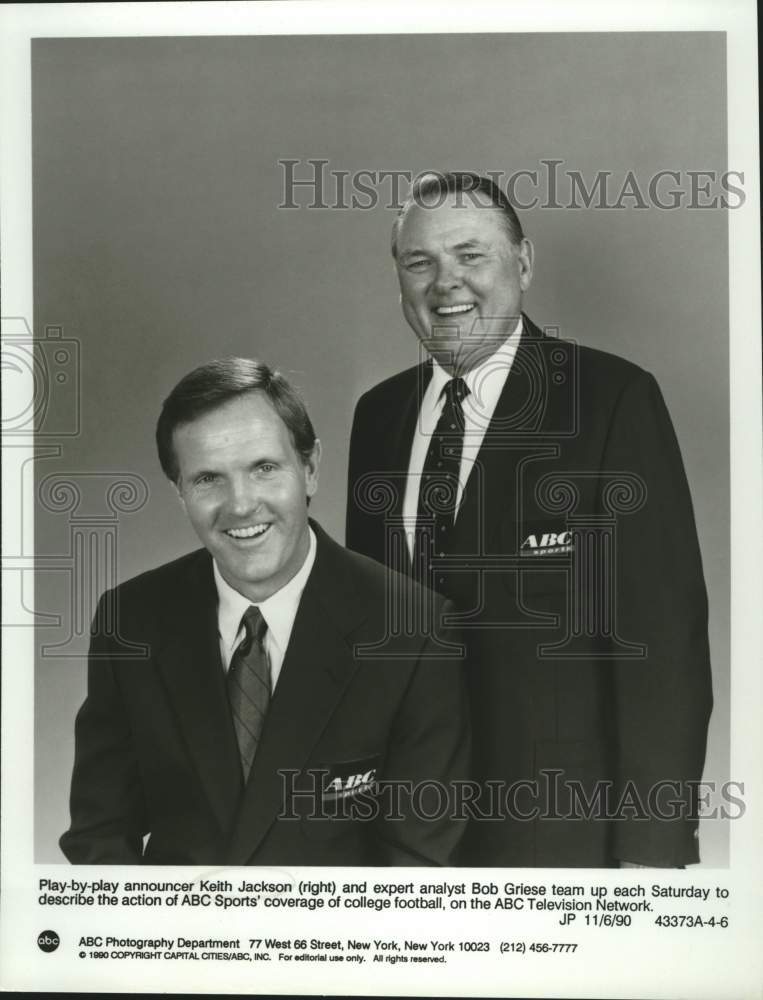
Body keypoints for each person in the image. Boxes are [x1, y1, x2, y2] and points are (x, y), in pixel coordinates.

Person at [346, 171, 713, 868]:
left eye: (470, 255)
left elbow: (662, 646)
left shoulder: (610, 401)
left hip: (561, 838)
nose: (443, 283)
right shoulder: (378, 417)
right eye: (418, 262)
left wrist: (650, 852)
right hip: (403, 844)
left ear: (523, 262)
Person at [61, 357, 469, 866]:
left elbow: (417, 863)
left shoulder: (415, 630)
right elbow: (99, 838)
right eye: (208, 478)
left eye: (264, 468)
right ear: (180, 493)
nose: (240, 505)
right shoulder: (131, 619)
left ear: (310, 468)